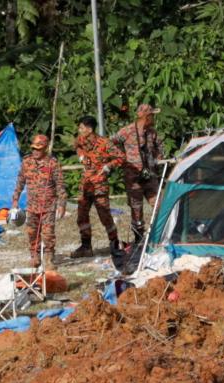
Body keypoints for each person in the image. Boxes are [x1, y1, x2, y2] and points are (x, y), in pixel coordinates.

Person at [112, 103, 164, 249]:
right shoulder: (127, 131)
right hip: (132, 177)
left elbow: (160, 148)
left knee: (159, 205)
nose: (153, 118)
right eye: (151, 115)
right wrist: (121, 157)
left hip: (149, 176)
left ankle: (160, 234)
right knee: (136, 209)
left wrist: (157, 158)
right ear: (145, 116)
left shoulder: (152, 132)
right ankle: (139, 239)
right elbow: (111, 143)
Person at [73, 115, 125, 258]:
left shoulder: (104, 143)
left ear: (89, 129)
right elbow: (76, 145)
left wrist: (108, 166)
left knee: (105, 217)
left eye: (82, 128)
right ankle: (86, 246)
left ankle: (114, 244)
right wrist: (81, 155)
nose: (79, 130)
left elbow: (120, 157)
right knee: (81, 216)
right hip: (85, 185)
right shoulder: (81, 140)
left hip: (99, 185)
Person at [11, 134, 66, 270]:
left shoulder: (53, 164)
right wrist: (15, 200)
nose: (35, 151)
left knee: (48, 234)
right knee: (32, 232)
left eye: (38, 149)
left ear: (45, 149)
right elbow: (20, 182)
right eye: (33, 148)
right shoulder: (27, 162)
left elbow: (60, 185)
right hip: (32, 206)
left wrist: (62, 204)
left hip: (48, 205)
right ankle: (34, 255)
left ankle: (48, 258)